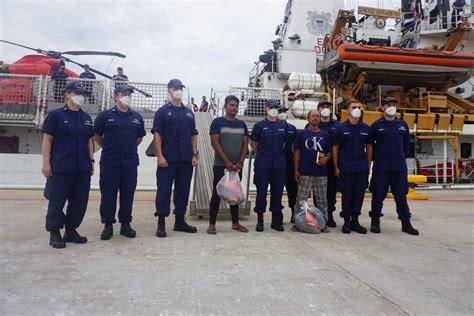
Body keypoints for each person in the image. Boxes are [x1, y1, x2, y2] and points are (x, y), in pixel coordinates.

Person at [41, 81, 94, 249]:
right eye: (77, 93)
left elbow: (89, 141)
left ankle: (71, 230)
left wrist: (91, 161)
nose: (81, 96)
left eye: (82, 94)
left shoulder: (86, 118)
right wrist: (46, 163)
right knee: (57, 201)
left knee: (79, 201)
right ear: (68, 94)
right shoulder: (56, 115)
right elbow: (47, 140)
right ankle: (54, 232)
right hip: (61, 166)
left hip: (82, 167)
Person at [93, 85, 146, 240]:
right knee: (108, 194)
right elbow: (96, 134)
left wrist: (129, 147)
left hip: (129, 162)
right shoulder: (105, 115)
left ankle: (125, 224)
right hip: (110, 162)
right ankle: (108, 225)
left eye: (129, 94)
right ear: (116, 96)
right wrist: (107, 146)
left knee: (128, 194)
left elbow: (139, 137)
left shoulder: (137, 117)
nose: (127, 96)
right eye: (123, 94)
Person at [151, 79, 199, 237]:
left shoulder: (188, 113)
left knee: (183, 191)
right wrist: (160, 155)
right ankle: (161, 223)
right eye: (175, 88)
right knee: (164, 191)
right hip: (168, 159)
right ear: (169, 90)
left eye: (180, 88)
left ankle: (179, 221)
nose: (178, 90)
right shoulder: (162, 112)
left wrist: (194, 154)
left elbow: (193, 135)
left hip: (185, 159)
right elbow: (157, 134)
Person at [368, 97, 419, 235]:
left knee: (401, 196)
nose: (391, 106)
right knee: (378, 195)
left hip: (398, 167)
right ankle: (375, 222)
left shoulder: (402, 124)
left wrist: (400, 156)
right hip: (381, 167)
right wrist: (376, 159)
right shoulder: (376, 125)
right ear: (383, 107)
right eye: (388, 104)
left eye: (393, 104)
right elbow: (370, 145)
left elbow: (407, 144)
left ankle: (406, 224)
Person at [207, 95, 249, 234]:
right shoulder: (217, 122)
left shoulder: (242, 125)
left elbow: (245, 145)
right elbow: (215, 143)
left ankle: (235, 223)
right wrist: (227, 162)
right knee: (216, 194)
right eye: (231, 105)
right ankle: (212, 224)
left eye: (236, 106)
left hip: (237, 167)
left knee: (234, 195)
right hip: (221, 165)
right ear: (225, 107)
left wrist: (240, 162)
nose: (234, 108)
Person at [332, 100, 372, 234]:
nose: (357, 109)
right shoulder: (341, 128)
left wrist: (368, 165)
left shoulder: (366, 128)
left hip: (361, 167)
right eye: (354, 107)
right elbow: (335, 148)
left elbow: (369, 147)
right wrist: (336, 166)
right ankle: (347, 222)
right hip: (346, 167)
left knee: (359, 195)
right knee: (347, 195)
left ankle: (356, 221)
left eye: (359, 107)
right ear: (348, 110)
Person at [250, 100, 288, 232]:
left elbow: (284, 144)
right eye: (271, 108)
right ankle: (260, 220)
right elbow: (253, 142)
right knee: (261, 192)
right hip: (263, 164)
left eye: (276, 108)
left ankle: (275, 221)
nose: (274, 110)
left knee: (277, 193)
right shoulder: (259, 126)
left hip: (278, 165)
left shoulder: (283, 126)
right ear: (266, 109)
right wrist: (260, 153)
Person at [293, 109, 332, 232]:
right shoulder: (301, 134)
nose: (315, 118)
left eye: (317, 116)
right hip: (305, 171)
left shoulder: (325, 135)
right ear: (308, 118)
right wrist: (296, 170)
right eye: (313, 116)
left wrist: (325, 159)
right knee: (301, 198)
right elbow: (297, 152)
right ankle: (297, 222)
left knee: (321, 199)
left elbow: (329, 152)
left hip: (321, 173)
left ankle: (323, 222)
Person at [317, 101, 340, 227]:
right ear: (318, 109)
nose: (325, 109)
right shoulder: (314, 124)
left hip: (332, 164)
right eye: (322, 107)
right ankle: (319, 215)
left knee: (331, 191)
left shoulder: (337, 125)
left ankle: (330, 215)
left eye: (327, 107)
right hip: (317, 164)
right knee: (318, 192)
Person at [277, 107, 298, 223]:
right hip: (278, 164)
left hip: (290, 164)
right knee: (277, 191)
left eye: (284, 112)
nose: (282, 114)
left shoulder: (292, 128)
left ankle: (294, 213)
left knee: (293, 190)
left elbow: (296, 148)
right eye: (280, 112)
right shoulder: (273, 127)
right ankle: (278, 214)